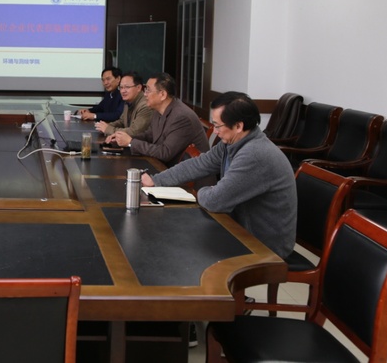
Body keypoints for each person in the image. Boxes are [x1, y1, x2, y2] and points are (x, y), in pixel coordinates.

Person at [141, 91, 297, 259]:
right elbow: (200, 164)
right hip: (238, 226)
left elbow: (215, 201)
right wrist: (156, 180)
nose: (215, 131)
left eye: (218, 126)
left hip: (263, 244)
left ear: (238, 126)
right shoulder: (233, 142)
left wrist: (202, 192)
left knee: (181, 247)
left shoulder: (255, 154)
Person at [107, 72, 209, 167]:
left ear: (162, 95)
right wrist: (123, 138)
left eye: (148, 90)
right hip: (167, 167)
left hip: (189, 176)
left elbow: (165, 152)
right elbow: (149, 135)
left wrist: (131, 142)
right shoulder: (158, 110)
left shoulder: (181, 117)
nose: (145, 94)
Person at [94, 72, 152, 138]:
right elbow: (122, 122)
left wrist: (108, 129)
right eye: (121, 87)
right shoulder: (128, 101)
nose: (123, 91)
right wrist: (107, 126)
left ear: (138, 88)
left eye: (127, 87)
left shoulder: (146, 106)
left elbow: (134, 132)